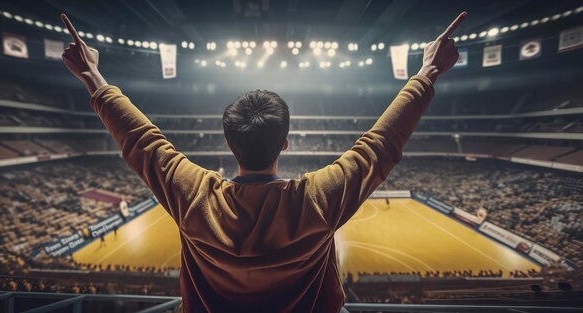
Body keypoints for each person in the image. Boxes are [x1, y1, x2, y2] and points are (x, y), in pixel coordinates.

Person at [60, 11, 466, 313]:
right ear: (286, 143)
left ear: (228, 143)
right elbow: (379, 146)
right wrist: (427, 71)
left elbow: (142, 141)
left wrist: (93, 77)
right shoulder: (315, 200)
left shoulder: (194, 196)